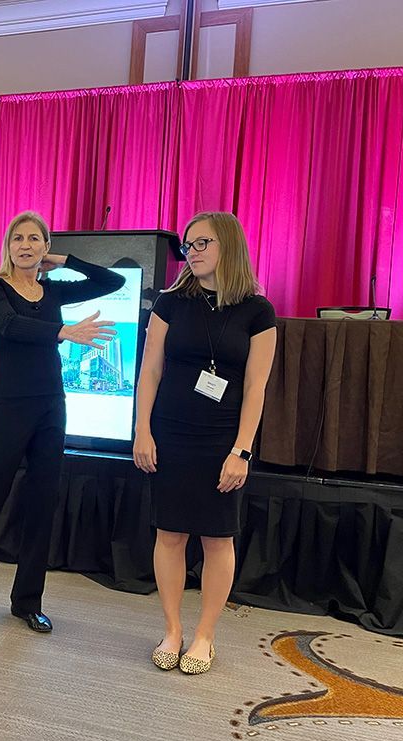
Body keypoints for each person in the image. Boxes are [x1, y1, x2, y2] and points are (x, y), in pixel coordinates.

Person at [0, 210, 125, 633]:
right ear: (8, 246)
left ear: (44, 247)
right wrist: (63, 334)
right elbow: (11, 327)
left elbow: (114, 282)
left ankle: (27, 602)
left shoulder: (50, 290)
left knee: (42, 502)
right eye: (19, 238)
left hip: (51, 406)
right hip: (8, 408)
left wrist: (65, 260)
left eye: (36, 239)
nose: (27, 245)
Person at [133, 211, 277, 673]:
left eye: (201, 244)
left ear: (228, 246)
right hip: (171, 433)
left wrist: (243, 451)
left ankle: (204, 636)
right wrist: (142, 429)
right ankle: (172, 630)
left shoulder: (258, 311)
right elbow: (150, 370)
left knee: (218, 539)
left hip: (222, 442)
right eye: (188, 246)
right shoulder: (170, 303)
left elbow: (256, 387)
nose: (191, 252)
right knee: (169, 533)